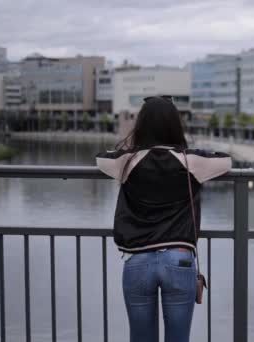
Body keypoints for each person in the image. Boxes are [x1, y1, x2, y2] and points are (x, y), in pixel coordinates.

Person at [96, 96, 231, 342]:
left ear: (142, 126)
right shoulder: (190, 160)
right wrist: (193, 151)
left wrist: (131, 146)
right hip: (179, 259)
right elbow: (225, 160)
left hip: (138, 260)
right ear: (175, 125)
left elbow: (101, 158)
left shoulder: (128, 161)